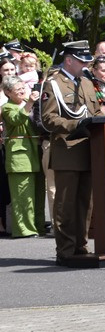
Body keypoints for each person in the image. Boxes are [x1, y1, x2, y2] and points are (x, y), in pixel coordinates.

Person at [39, 42, 103, 264]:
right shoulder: (54, 84)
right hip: (66, 150)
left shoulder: (86, 83)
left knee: (85, 203)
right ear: (69, 60)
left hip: (89, 150)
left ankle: (80, 246)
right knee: (65, 204)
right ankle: (65, 250)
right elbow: (47, 119)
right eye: (82, 60)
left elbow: (94, 113)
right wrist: (76, 124)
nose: (86, 64)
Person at [2, 76, 43, 237]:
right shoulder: (7, 107)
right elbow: (17, 119)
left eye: (22, 87)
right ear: (7, 92)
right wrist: (30, 103)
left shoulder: (29, 102)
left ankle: (38, 225)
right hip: (19, 156)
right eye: (17, 89)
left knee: (38, 194)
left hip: (36, 152)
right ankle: (24, 230)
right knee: (22, 195)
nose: (21, 90)